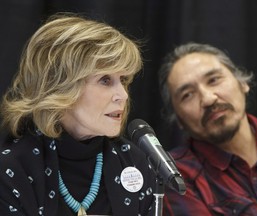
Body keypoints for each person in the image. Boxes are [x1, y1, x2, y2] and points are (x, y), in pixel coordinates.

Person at [0, 13, 156, 216]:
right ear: (61, 86)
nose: (123, 95)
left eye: (124, 80)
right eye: (105, 80)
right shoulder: (12, 169)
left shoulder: (135, 162)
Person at [158, 42, 257, 215]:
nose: (208, 99)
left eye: (213, 80)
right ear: (178, 119)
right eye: (187, 95)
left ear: (243, 83)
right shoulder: (176, 178)